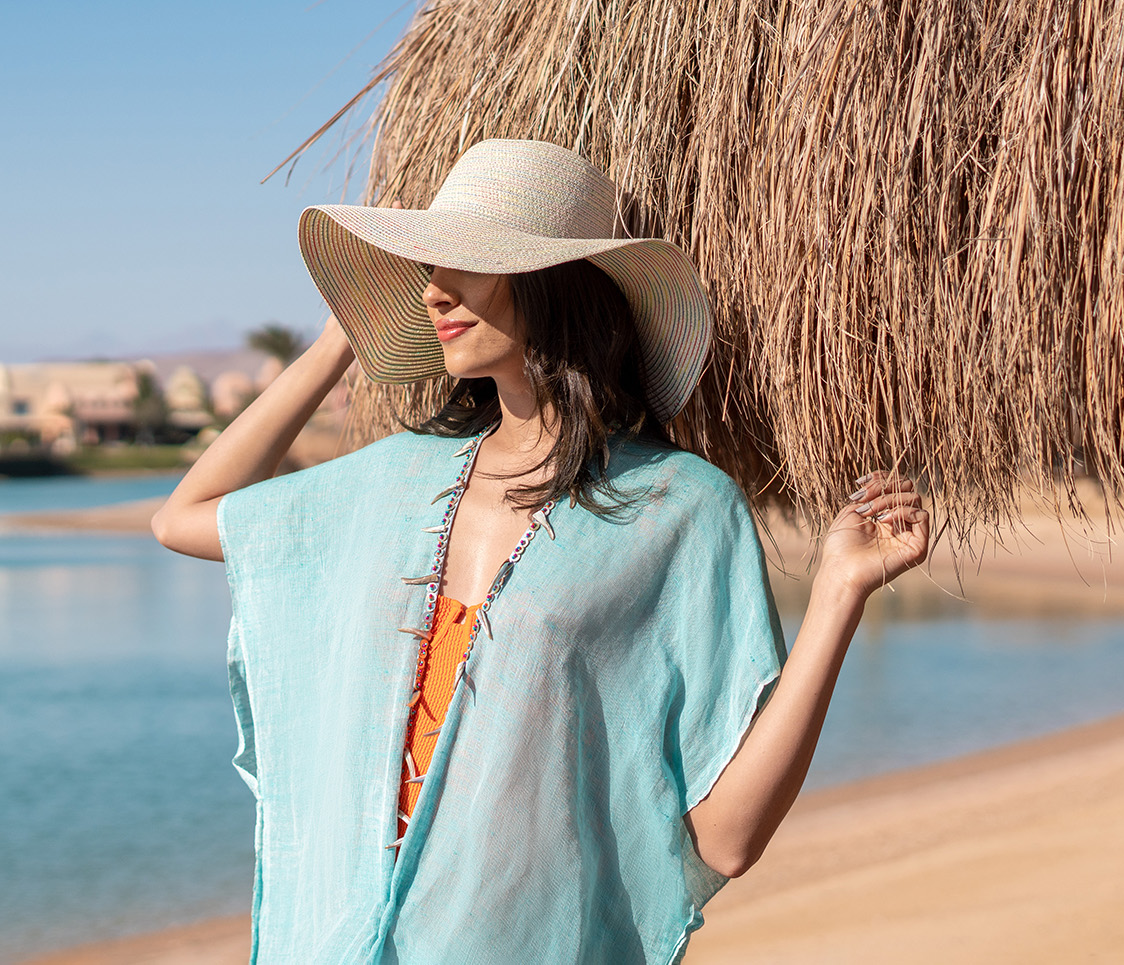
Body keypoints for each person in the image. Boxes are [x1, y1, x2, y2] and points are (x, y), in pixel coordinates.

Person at [151, 140, 929, 964]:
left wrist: (840, 593)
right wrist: (347, 333)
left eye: (467, 265)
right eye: (425, 268)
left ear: (555, 286)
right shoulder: (394, 482)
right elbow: (184, 516)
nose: (433, 291)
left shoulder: (680, 507)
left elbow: (727, 838)